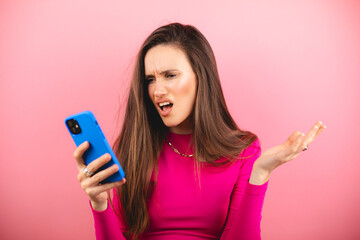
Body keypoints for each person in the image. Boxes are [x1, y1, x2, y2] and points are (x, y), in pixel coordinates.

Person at [73, 23, 326, 240]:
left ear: (200, 77)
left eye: (170, 75)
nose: (157, 90)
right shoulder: (132, 148)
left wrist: (260, 173)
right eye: (150, 79)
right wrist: (99, 203)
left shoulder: (245, 149)